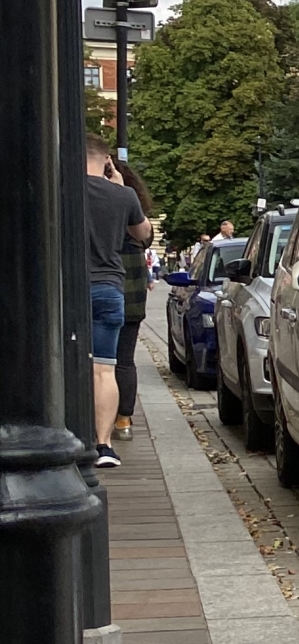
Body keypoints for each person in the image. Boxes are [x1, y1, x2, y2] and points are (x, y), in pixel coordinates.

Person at [86, 135, 151, 467]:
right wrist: (121, 184)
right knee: (108, 367)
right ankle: (106, 442)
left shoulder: (65, 191)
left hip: (73, 288)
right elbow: (145, 234)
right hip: (112, 289)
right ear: (106, 160)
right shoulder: (123, 195)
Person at [110, 155, 157, 441]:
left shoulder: (121, 206)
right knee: (122, 359)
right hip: (129, 292)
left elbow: (145, 236)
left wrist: (120, 193)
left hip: (123, 290)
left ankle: (122, 416)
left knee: (120, 359)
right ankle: (122, 419)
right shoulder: (130, 205)